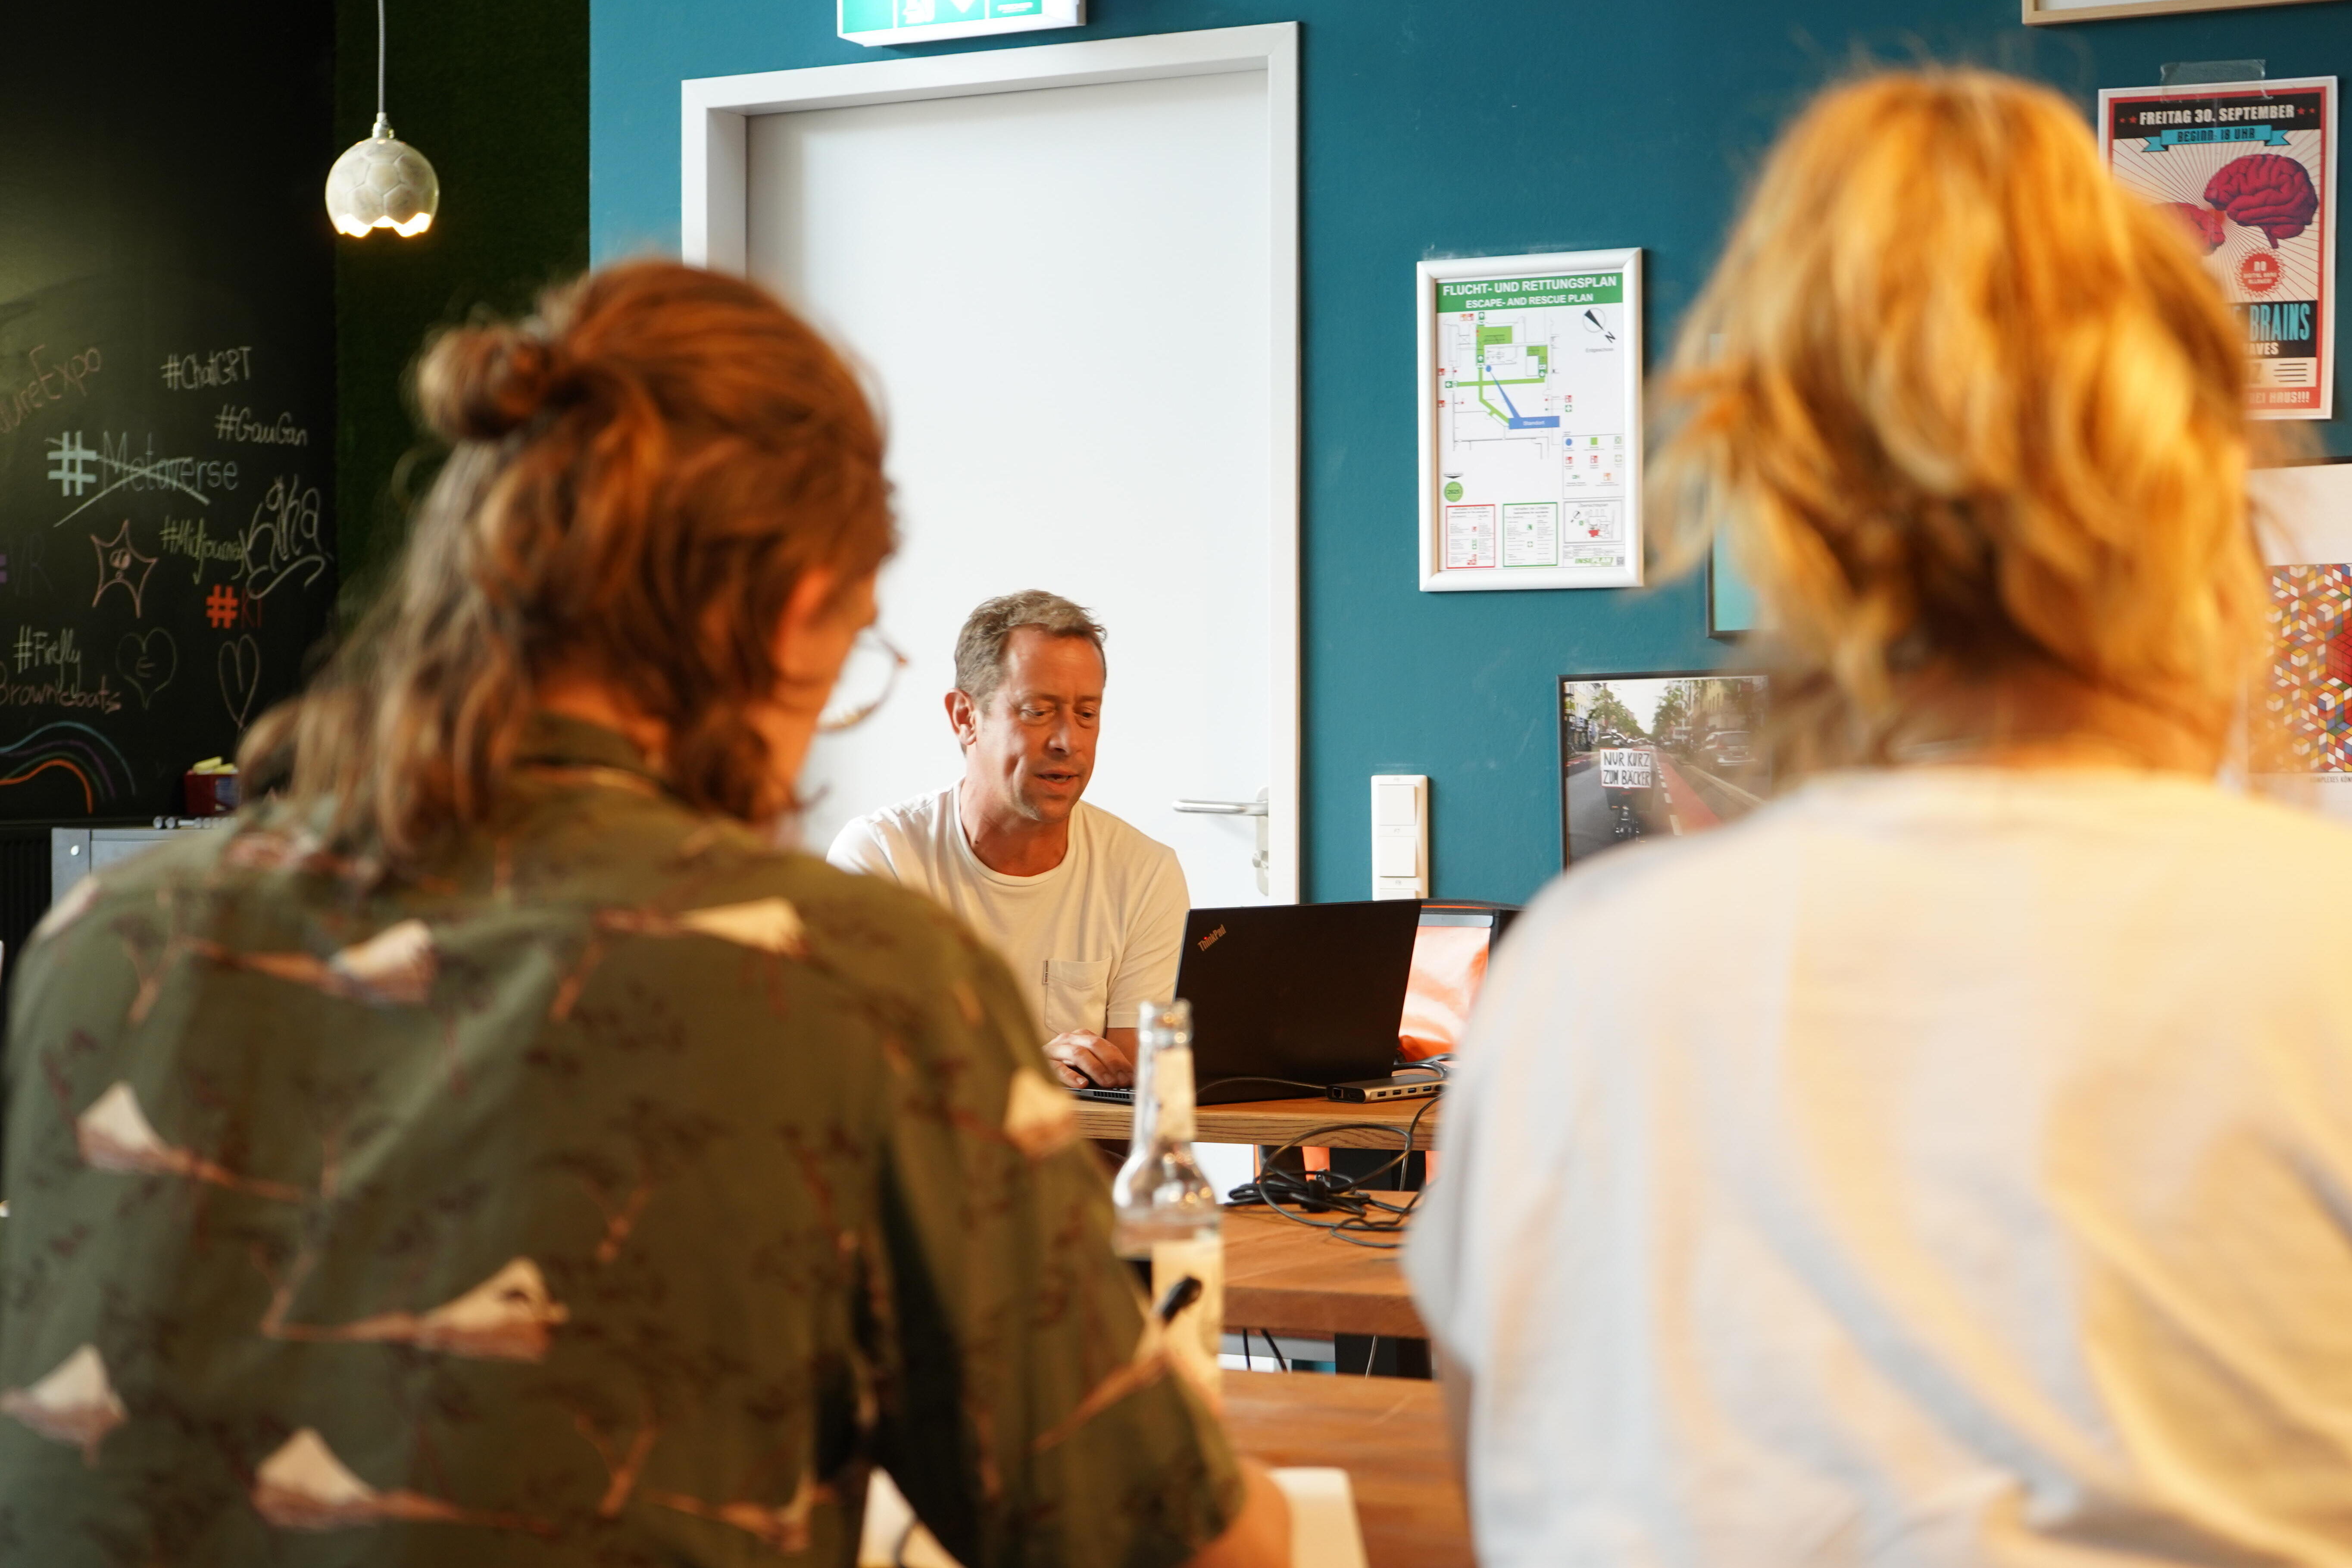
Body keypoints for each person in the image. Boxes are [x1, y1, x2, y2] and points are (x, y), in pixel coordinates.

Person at [0, 262, 1286, 1568]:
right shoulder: (864, 984)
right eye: (847, 652)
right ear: (782, 617)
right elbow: (1179, 1545)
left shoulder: (105, 941)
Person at [1408, 70, 2352, 1567]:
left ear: (1786, 507)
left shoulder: (1573, 978)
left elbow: (1502, 1466)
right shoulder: (2319, 949)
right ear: (2192, 495)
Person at [828, 593, 1187, 1091]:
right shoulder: (880, 858)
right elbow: (859, 1075)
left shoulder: (1144, 872)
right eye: (1038, 711)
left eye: (1088, 714)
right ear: (964, 717)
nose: (1069, 740)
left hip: (1080, 1165)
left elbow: (1129, 1096)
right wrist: (1023, 1072)